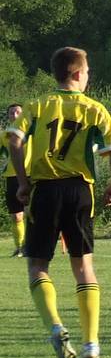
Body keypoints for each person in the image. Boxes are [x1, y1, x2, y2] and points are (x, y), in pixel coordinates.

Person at [6, 48, 111, 358]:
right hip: (80, 191)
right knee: (83, 267)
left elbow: (14, 139)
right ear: (78, 74)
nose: (88, 77)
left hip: (44, 191)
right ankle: (91, 344)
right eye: (87, 72)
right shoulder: (94, 108)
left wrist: (23, 182)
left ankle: (55, 327)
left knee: (37, 265)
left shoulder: (38, 106)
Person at [4, 103, 26, 256]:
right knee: (16, 215)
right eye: (12, 113)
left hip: (31, 175)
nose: (15, 115)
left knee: (32, 213)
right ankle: (20, 247)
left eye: (18, 112)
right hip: (12, 177)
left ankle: (31, 245)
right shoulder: (4, 136)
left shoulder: (33, 132)